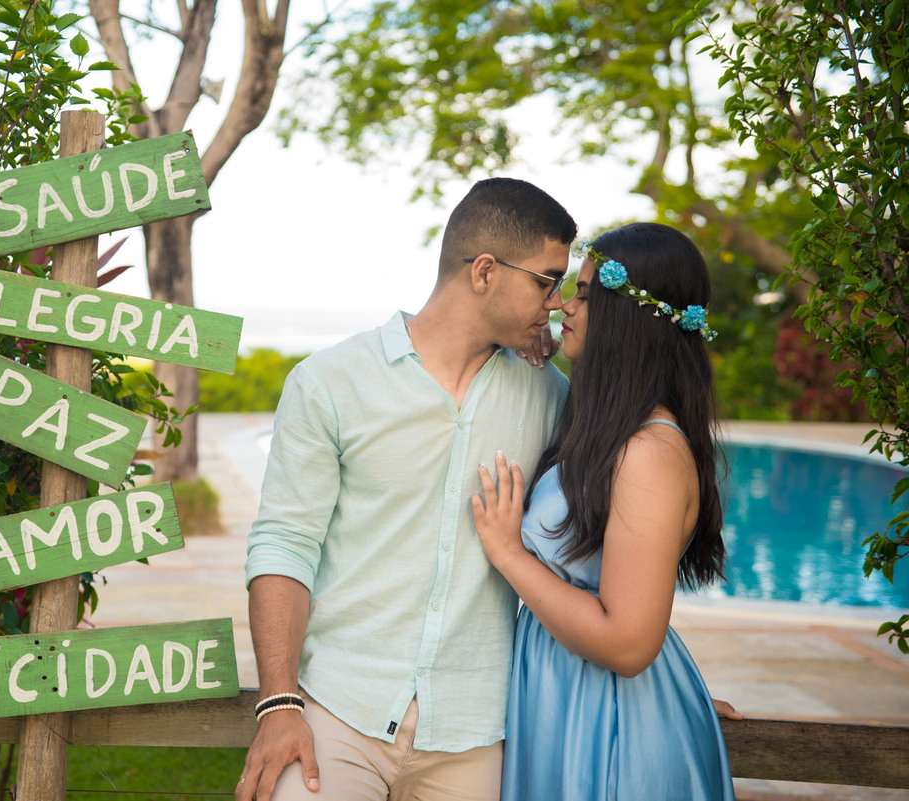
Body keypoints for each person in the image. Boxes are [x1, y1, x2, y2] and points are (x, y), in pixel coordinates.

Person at [238, 177, 577, 800]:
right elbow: (285, 545)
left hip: (475, 731)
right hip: (337, 713)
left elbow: (606, 543)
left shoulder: (552, 397)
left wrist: (659, 683)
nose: (556, 302)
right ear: (484, 272)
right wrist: (279, 703)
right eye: (546, 280)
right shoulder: (330, 382)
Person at [471, 221, 737, 800]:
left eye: (585, 295)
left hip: (610, 725)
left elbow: (628, 643)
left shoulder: (649, 454)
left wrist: (510, 555)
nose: (564, 304)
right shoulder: (611, 431)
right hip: (564, 697)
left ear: (630, 317)